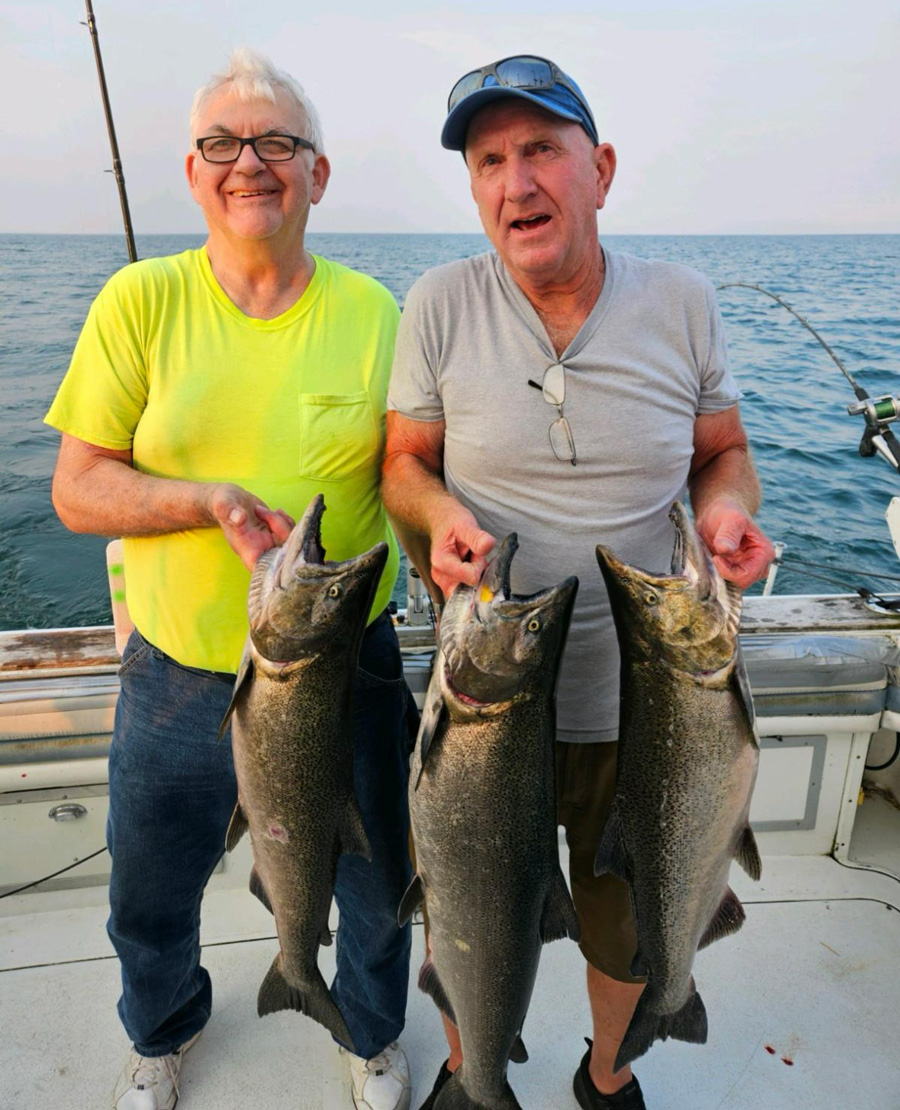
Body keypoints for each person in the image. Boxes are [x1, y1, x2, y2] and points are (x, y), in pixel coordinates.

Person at [382, 54, 775, 1110]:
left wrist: (727, 509)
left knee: (625, 915)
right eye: (490, 160)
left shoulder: (681, 302)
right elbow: (403, 464)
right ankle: (472, 1077)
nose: (517, 183)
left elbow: (722, 451)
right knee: (469, 898)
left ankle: (606, 1075)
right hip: (479, 699)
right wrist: (439, 518)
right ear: (474, 188)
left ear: (599, 168)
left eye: (542, 151)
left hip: (643, 704)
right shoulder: (438, 304)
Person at [46, 48, 413, 1110]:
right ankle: (161, 1032)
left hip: (350, 669)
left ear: (319, 174)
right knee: (149, 888)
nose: (248, 162)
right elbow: (77, 491)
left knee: (375, 879)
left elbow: (415, 473)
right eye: (222, 143)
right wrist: (200, 500)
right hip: (176, 676)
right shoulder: (138, 300)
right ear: (194, 170)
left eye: (277, 144)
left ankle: (371, 1030)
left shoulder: (378, 313)